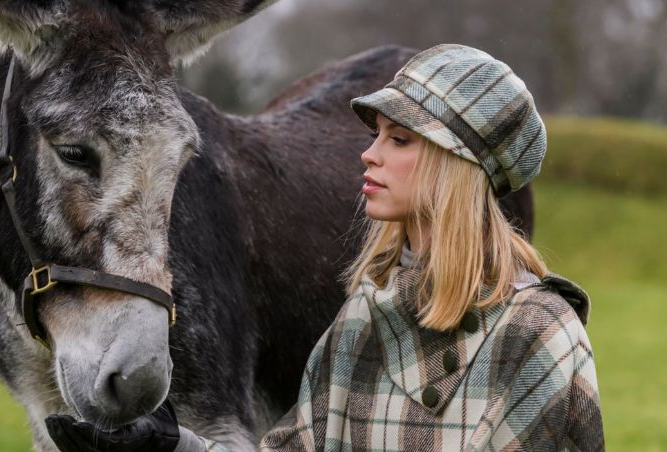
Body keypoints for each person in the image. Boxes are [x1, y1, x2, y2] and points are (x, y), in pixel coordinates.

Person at [46, 44, 605, 451]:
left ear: (457, 166)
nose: (369, 154)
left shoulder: (539, 335)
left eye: (400, 139)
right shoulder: (366, 314)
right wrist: (171, 448)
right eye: (375, 135)